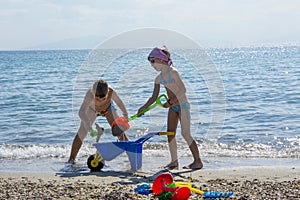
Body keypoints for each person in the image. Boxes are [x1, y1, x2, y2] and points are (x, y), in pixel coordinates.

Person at [137, 46, 203, 169]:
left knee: (185, 134)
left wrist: (170, 101)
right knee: (170, 134)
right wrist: (143, 108)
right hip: (173, 108)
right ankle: (174, 161)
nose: (152, 66)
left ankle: (197, 161)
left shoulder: (174, 72)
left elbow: (183, 90)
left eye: (153, 62)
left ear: (161, 60)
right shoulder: (158, 78)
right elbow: (153, 97)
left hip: (182, 106)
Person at [67, 80, 129, 164]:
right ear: (93, 92)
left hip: (108, 108)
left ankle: (130, 155)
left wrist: (125, 114)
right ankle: (71, 159)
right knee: (81, 132)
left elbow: (119, 103)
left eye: (103, 98)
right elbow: (81, 111)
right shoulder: (89, 95)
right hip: (93, 109)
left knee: (119, 130)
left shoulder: (111, 92)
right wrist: (86, 122)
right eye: (97, 98)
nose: (100, 100)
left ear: (107, 92)